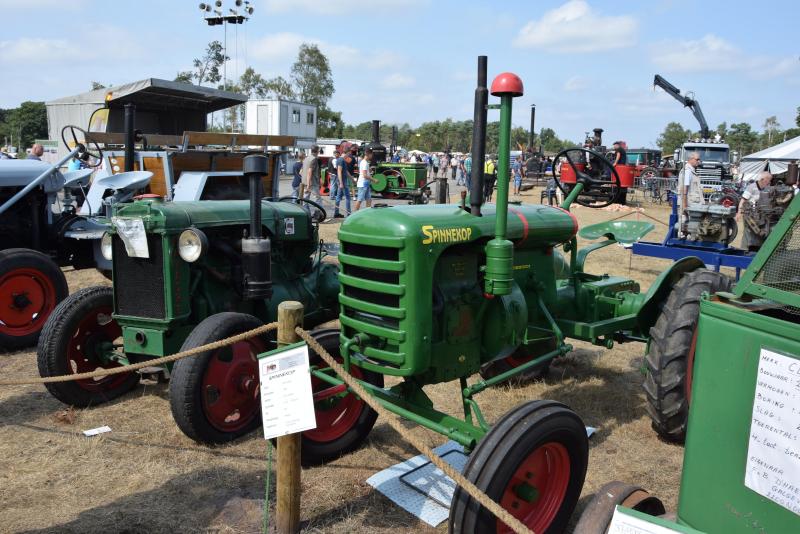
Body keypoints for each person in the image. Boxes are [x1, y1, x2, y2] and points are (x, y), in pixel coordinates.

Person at [737, 171, 773, 251]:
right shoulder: (751, 187)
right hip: (749, 215)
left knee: (760, 232)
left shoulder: (766, 189)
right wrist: (739, 212)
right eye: (769, 180)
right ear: (763, 179)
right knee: (748, 232)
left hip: (761, 215)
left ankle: (757, 249)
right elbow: (743, 200)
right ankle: (744, 249)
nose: (769, 182)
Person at [678, 152, 703, 233]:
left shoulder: (691, 171)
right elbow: (684, 190)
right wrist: (685, 206)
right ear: (691, 159)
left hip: (692, 204)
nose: (699, 161)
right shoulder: (687, 171)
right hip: (689, 204)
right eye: (697, 159)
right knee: (685, 226)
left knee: (692, 227)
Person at [303, 146, 324, 220]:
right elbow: (310, 171)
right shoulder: (314, 159)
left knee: (305, 199)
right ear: (317, 151)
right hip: (312, 183)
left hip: (305, 181)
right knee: (317, 199)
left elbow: (302, 171)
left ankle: (305, 215)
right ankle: (318, 216)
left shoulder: (306, 158)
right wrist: (309, 184)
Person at [333, 151, 351, 218]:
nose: (348, 156)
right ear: (347, 153)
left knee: (338, 197)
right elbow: (339, 171)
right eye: (348, 155)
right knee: (347, 197)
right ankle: (348, 213)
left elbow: (345, 171)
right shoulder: (341, 160)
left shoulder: (342, 160)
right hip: (342, 181)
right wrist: (341, 183)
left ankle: (336, 213)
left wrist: (352, 179)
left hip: (342, 181)